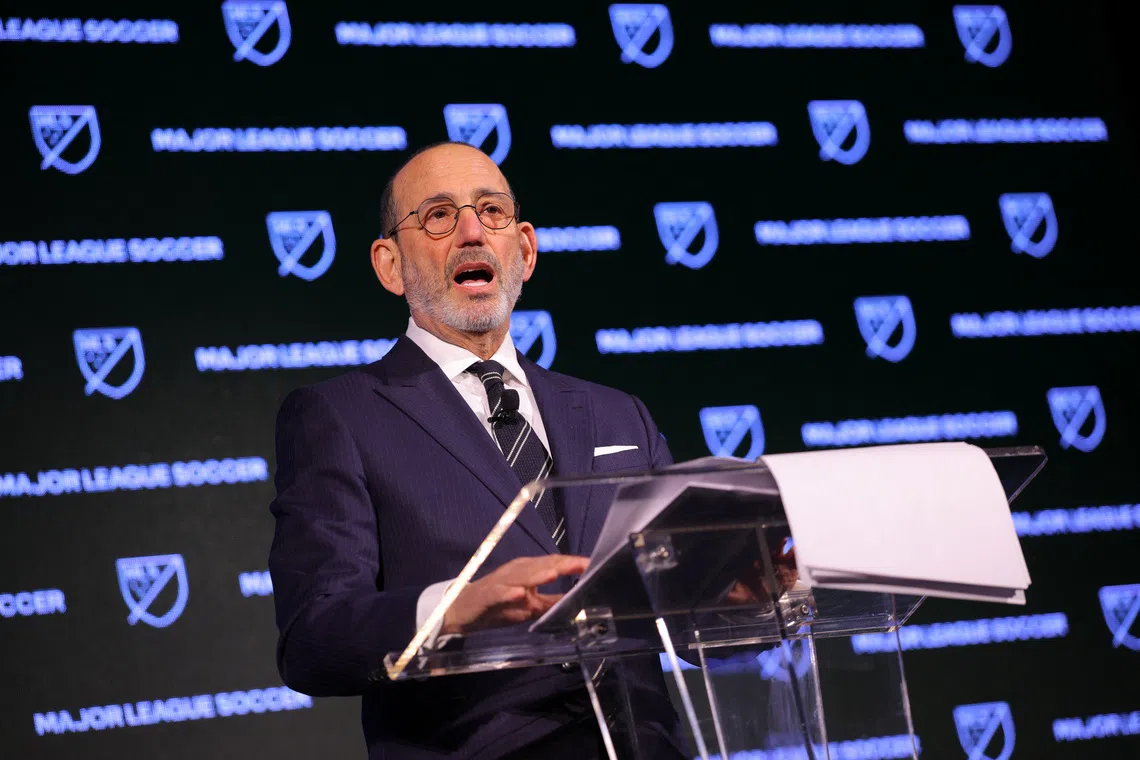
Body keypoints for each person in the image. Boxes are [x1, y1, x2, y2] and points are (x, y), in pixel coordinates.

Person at [268, 141, 684, 759]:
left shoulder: (617, 411)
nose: (470, 231)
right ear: (390, 265)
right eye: (438, 216)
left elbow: (696, 612)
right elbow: (312, 638)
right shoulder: (341, 415)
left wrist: (738, 582)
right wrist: (457, 609)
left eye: (491, 211)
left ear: (525, 249)